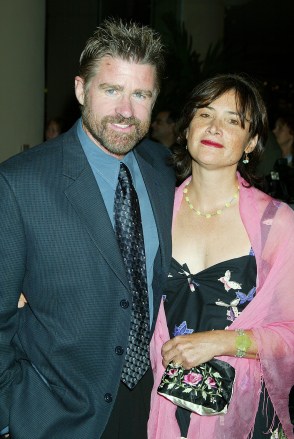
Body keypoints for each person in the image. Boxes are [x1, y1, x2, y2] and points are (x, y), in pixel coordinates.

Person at [0, 18, 176, 439]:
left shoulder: (166, 172)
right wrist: (9, 415)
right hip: (54, 417)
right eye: (111, 90)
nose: (125, 111)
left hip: (150, 411)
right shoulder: (20, 183)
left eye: (141, 94)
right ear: (81, 89)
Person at [148, 74, 294, 438]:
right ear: (186, 129)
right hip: (161, 405)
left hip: (242, 415)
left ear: (252, 142)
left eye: (233, 120)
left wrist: (222, 341)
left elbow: (291, 334)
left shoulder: (275, 223)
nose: (215, 127)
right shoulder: (154, 210)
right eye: (205, 114)